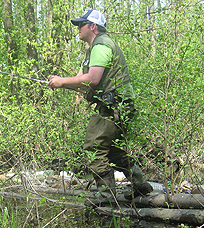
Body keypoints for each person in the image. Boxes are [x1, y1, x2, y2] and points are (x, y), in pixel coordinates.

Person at [48, 9, 153, 207]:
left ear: (93, 27)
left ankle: (107, 202)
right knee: (114, 152)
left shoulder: (102, 45)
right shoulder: (94, 48)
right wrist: (60, 82)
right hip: (117, 106)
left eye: (81, 25)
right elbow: (81, 79)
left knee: (94, 149)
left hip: (113, 106)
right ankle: (141, 186)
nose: (78, 29)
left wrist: (62, 81)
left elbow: (93, 79)